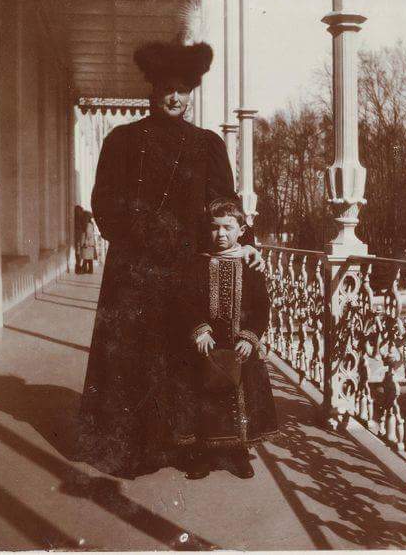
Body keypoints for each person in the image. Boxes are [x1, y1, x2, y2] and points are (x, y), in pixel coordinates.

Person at [78, 41, 263, 478]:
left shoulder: (207, 145)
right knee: (134, 358)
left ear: (192, 92)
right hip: (135, 270)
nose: (174, 97)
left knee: (187, 354)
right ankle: (136, 448)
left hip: (188, 271)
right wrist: (141, 234)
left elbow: (224, 202)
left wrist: (247, 239)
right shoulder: (122, 140)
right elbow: (103, 202)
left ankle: (189, 445)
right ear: (152, 91)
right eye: (166, 88)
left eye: (183, 89)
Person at [182, 198, 278, 480]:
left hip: (240, 348)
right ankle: (205, 454)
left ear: (241, 230)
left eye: (228, 227)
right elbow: (185, 302)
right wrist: (200, 329)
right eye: (214, 228)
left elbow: (262, 307)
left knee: (240, 400)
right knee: (206, 399)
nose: (221, 234)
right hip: (209, 347)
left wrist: (250, 337)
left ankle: (238, 454)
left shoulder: (251, 266)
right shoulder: (199, 264)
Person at [74, 205, 84, 274]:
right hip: (78, 239)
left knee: (78, 253)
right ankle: (78, 268)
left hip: (78, 239)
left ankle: (78, 267)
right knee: (78, 253)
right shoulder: (78, 222)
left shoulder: (78, 221)